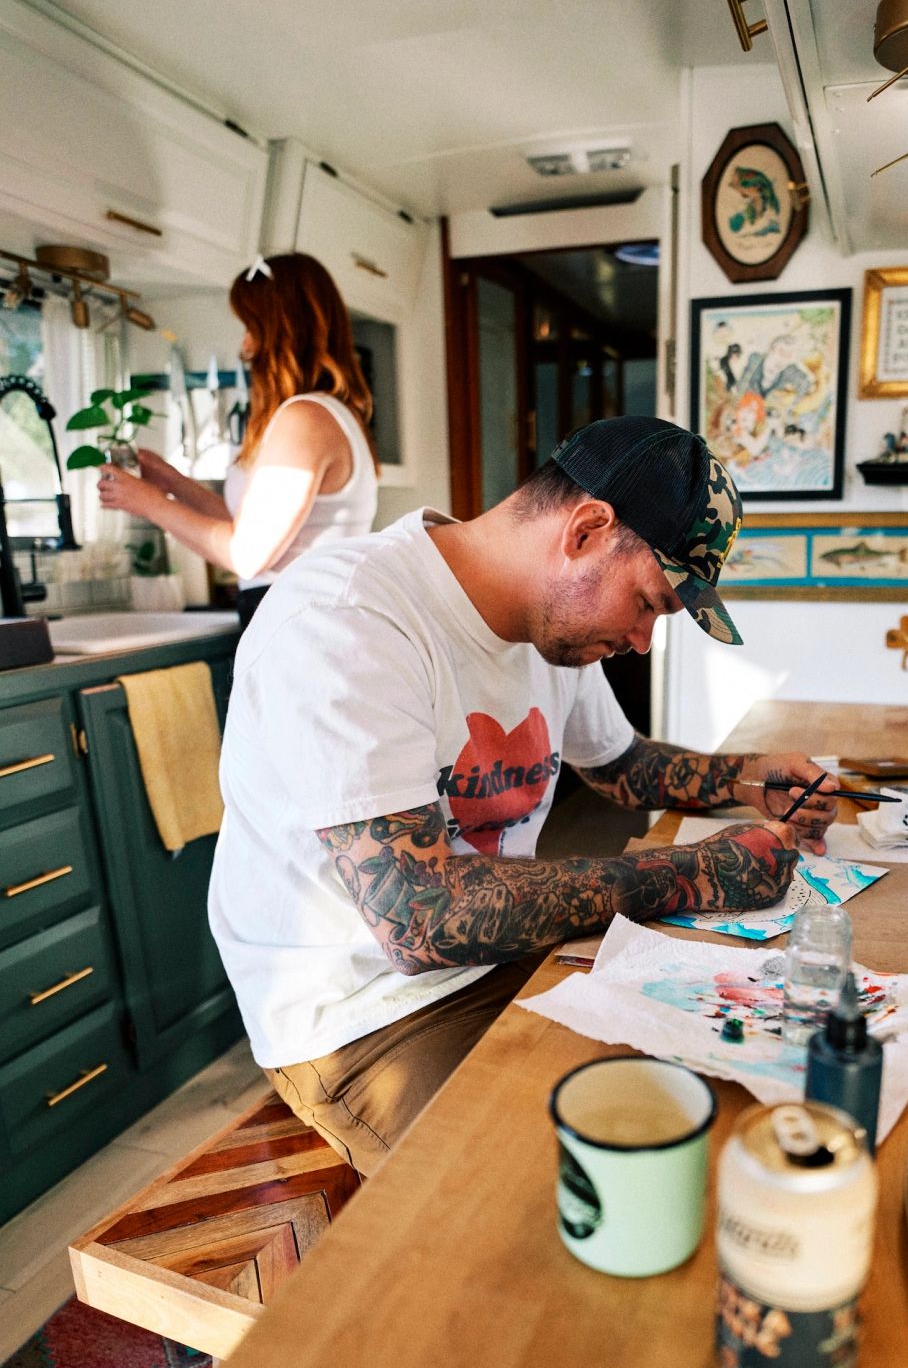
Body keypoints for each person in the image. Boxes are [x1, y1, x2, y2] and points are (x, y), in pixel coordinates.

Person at [208, 416, 837, 1176]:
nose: (643, 641)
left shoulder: (553, 628)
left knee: (717, 1106)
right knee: (570, 1185)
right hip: (361, 1015)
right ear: (587, 531)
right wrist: (697, 873)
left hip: (499, 957)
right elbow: (420, 917)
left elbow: (620, 764)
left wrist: (748, 778)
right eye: (650, 603)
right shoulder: (349, 617)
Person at [96, 252, 379, 628]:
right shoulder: (327, 414)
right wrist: (173, 484)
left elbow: (246, 555)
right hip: (307, 617)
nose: (244, 346)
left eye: (250, 327)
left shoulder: (305, 419)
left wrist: (150, 504)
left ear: (280, 331)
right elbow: (247, 528)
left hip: (300, 621)